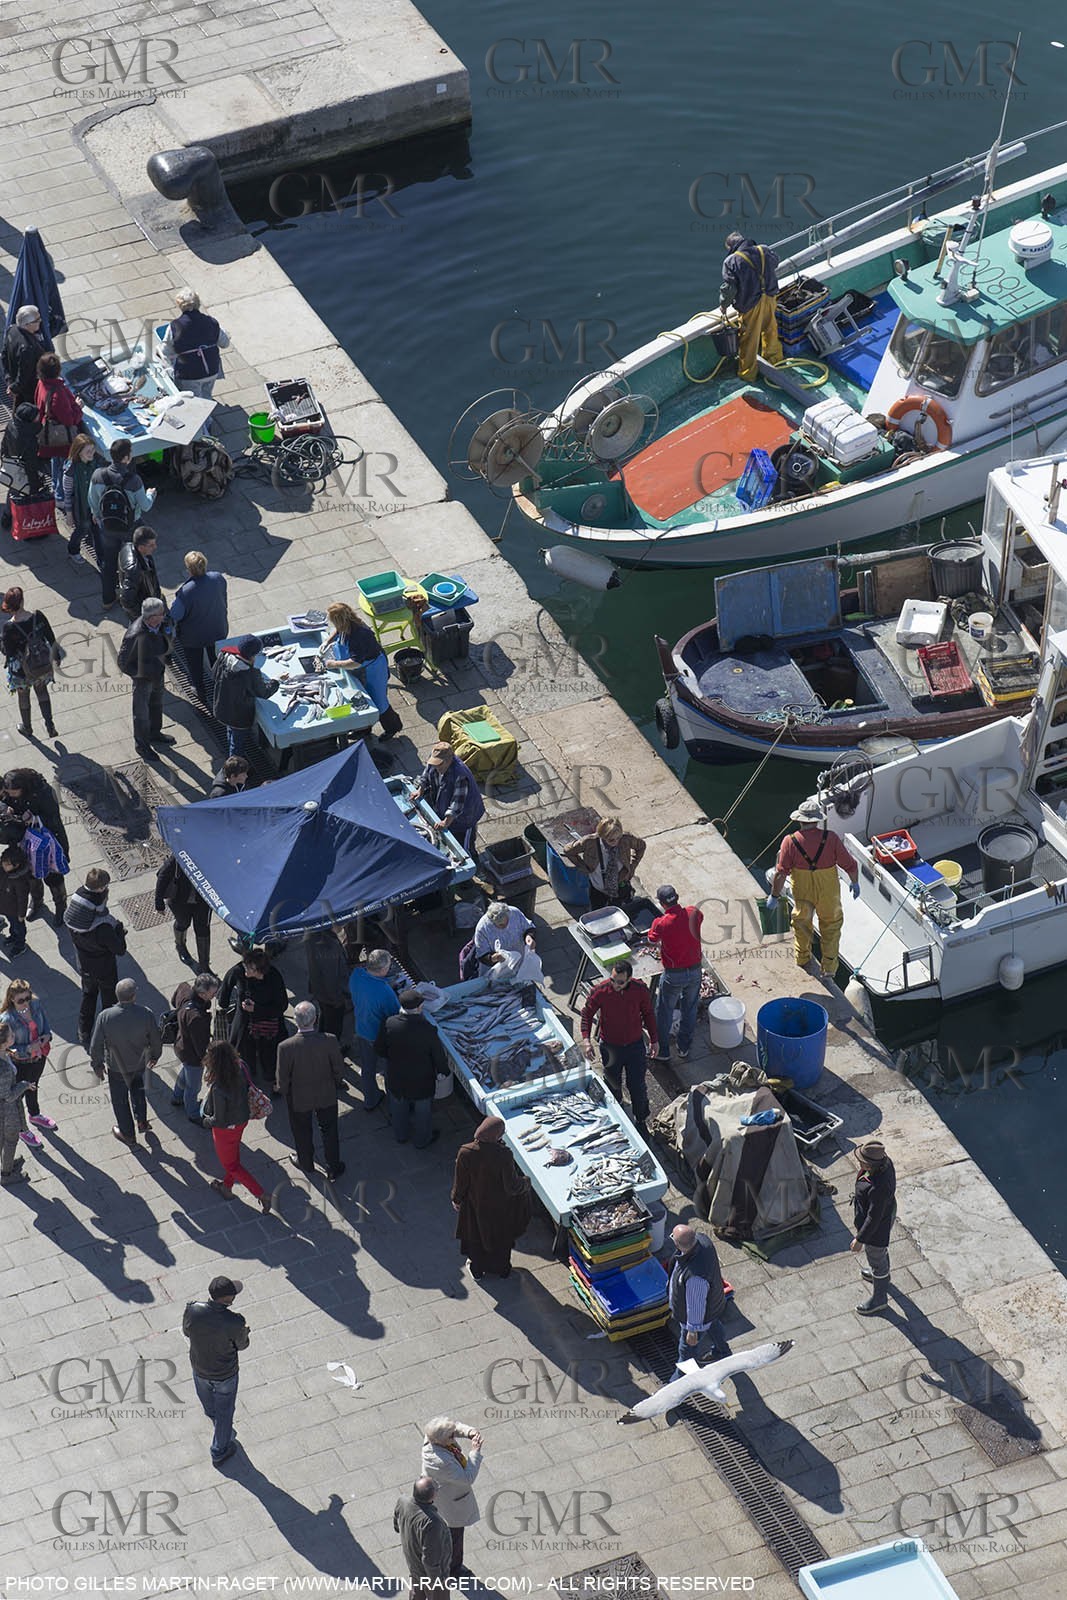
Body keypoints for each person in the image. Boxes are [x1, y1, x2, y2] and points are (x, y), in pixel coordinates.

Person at [766, 799, 859, 976]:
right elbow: (851, 865)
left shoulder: (790, 841)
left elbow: (780, 873)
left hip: (803, 889)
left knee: (801, 922)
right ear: (817, 820)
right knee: (831, 926)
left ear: (800, 820)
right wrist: (855, 883)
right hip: (828, 891)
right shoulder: (830, 838)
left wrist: (774, 896)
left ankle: (802, 958)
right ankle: (829, 969)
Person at [580, 960, 657, 1134]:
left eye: (620, 982)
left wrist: (654, 1039)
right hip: (610, 1047)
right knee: (613, 1083)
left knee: (637, 1086)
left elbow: (648, 1013)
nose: (615, 985)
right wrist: (586, 1040)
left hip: (635, 1046)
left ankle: (641, 1119)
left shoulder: (640, 990)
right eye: (613, 979)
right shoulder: (600, 991)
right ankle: (618, 1111)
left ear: (630, 979)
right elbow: (587, 1014)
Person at [451, 1116, 532, 1282]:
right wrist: (526, 1182)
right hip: (501, 1208)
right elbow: (512, 1186)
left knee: (476, 1239)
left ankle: (478, 1270)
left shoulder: (466, 1152)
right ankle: (503, 1270)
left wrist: (456, 1199)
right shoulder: (503, 1154)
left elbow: (461, 1182)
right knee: (501, 1240)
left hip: (475, 1206)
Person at [182, 1275, 248, 1467]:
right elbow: (242, 1345)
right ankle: (219, 1450)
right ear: (228, 1299)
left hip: (200, 1366)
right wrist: (246, 1332)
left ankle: (211, 1412)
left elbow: (187, 1331)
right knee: (225, 1412)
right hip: (224, 1374)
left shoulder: (193, 1309)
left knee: (206, 1396)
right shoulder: (235, 1321)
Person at [275, 1000, 345, 1179]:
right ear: (315, 1019)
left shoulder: (285, 1047)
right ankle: (333, 1166)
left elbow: (282, 1077)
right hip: (326, 1093)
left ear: (297, 1021)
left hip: (299, 1097)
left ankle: (306, 1162)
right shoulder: (329, 1040)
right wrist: (337, 1082)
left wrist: (283, 1091)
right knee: (329, 1130)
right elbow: (338, 1068)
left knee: (301, 1130)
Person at [89, 977, 162, 1148]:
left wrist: (97, 1065)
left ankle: (128, 1134)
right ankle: (142, 1122)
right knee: (138, 1091)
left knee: (120, 1101)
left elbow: (95, 1045)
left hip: (116, 1068)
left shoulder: (105, 1016)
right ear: (134, 995)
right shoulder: (146, 1013)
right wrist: (155, 1056)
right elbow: (156, 1039)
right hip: (139, 1065)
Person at [201, 1040, 270, 1211]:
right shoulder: (241, 1066)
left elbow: (219, 1120)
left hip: (225, 1130)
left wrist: (205, 1121)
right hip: (242, 1120)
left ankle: (260, 1193)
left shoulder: (218, 1088)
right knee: (233, 1156)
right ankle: (226, 1186)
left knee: (230, 1165)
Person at [376, 988, 449, 1148]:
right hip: (421, 1081)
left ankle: (401, 1135)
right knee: (423, 1113)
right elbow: (438, 1057)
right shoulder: (428, 1030)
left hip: (396, 1077)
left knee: (398, 1108)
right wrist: (444, 1071)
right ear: (419, 1008)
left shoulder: (389, 1023)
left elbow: (380, 1048)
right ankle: (422, 1140)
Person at [88, 440, 156, 608]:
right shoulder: (134, 480)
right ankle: (134, 597)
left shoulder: (98, 475)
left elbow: (92, 500)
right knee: (133, 563)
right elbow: (145, 506)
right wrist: (150, 494)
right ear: (126, 458)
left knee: (109, 561)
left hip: (107, 527)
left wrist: (97, 515)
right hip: (130, 527)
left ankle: (108, 599)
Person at [321, 601, 402, 740]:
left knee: (379, 701)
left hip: (373, 669)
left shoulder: (358, 635)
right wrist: (327, 641)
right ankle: (364, 729)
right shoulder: (348, 622)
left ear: (340, 620)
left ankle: (393, 727)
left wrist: (333, 663)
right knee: (360, 699)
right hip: (361, 669)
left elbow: (355, 662)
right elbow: (338, 630)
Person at [64, 867, 127, 1045]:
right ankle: (108, 1033)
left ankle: (83, 1031)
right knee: (109, 1001)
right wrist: (120, 932)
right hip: (105, 969)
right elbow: (120, 950)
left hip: (85, 966)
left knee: (88, 996)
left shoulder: (75, 920)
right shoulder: (103, 927)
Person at [0, 766, 70, 920]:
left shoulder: (43, 792)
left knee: (53, 877)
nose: (10, 796)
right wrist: (9, 809)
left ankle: (61, 906)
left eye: (13, 793)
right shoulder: (9, 791)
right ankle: (37, 902)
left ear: (22, 787)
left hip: (48, 841)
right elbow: (6, 802)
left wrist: (33, 818)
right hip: (26, 841)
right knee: (31, 874)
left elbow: (53, 818)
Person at [420, 1419, 483, 1580]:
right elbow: (467, 1477)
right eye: (451, 1436)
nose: (454, 1437)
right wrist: (475, 1452)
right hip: (449, 1503)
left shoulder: (434, 1436)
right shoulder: (440, 1462)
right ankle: (453, 1569)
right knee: (455, 1536)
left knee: (446, 1533)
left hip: (440, 1495)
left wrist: (470, 1432)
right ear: (441, 1441)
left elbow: (455, 1427)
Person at [219, 947, 288, 1092]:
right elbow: (224, 992)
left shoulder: (274, 977)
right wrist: (224, 1003)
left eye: (250, 968)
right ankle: (247, 1080)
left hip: (268, 1025)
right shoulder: (238, 972)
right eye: (245, 965)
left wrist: (256, 1009)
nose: (245, 969)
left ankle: (272, 1079)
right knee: (244, 1053)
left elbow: (282, 1006)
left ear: (260, 970)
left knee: (269, 1055)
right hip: (245, 1023)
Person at [648, 885, 704, 1063]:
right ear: (677, 897)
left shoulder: (661, 922)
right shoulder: (693, 912)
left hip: (674, 975)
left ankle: (663, 1051)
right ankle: (684, 1047)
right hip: (695, 971)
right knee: (690, 1008)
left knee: (664, 1011)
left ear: (662, 903)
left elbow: (651, 939)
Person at [668, 1224, 731, 1378]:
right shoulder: (704, 1241)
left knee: (686, 1355)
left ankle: (674, 1390)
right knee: (714, 1326)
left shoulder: (694, 1277)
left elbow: (696, 1305)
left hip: (699, 1318)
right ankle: (723, 1352)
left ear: (677, 1244)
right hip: (714, 1303)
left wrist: (692, 1330)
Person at [719, 232, 783, 382]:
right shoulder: (764, 250)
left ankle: (748, 373)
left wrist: (724, 305)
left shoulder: (731, 261)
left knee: (749, 338)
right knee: (770, 329)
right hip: (770, 296)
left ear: (731, 246)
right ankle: (775, 361)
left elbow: (729, 289)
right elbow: (776, 262)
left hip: (750, 304)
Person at [117, 597, 174, 761]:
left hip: (158, 672)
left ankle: (155, 733)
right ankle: (142, 746)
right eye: (162, 614)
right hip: (143, 679)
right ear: (151, 617)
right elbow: (123, 663)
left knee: (156, 704)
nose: (165, 615)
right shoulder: (135, 635)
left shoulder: (161, 623)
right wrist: (142, 675)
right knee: (141, 714)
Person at [1, 978, 55, 1146]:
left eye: (27, 998)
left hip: (39, 1057)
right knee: (18, 1096)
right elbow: (7, 1045)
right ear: (11, 999)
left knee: (33, 1085)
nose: (25, 1003)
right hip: (21, 1062)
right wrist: (28, 1049)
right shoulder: (7, 1019)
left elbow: (45, 1025)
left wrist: (47, 1036)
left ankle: (35, 1114)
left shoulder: (36, 1005)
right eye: (21, 1000)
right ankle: (22, 1130)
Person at [170, 550, 228, 704]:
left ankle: (199, 690)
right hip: (217, 629)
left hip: (193, 637)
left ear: (189, 569)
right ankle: (222, 688)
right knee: (217, 661)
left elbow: (175, 615)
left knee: (194, 664)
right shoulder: (218, 578)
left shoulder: (185, 593)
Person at [211, 634, 283, 758]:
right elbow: (263, 692)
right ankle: (235, 767)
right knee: (237, 744)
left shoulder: (224, 655)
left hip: (222, 706)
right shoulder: (249, 674)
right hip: (239, 716)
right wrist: (276, 681)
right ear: (253, 655)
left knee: (231, 731)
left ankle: (232, 752)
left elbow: (214, 674)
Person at [1, 587, 59, 740]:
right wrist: (56, 655)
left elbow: (9, 652)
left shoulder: (9, 627)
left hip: (21, 670)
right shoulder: (37, 616)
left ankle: (27, 728)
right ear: (22, 601)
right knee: (42, 692)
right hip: (41, 664)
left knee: (23, 696)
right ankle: (49, 724)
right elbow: (50, 635)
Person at [410, 742, 484, 855]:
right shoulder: (435, 760)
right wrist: (420, 789)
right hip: (444, 805)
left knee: (465, 846)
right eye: (434, 763)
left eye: (439, 765)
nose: (436, 767)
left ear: (449, 760)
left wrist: (446, 822)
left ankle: (474, 862)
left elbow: (457, 804)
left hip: (465, 816)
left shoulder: (460, 774)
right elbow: (427, 772)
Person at [851, 1139, 897, 1316]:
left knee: (876, 1256)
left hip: (877, 1228)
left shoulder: (879, 1188)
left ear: (870, 1164)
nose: (859, 1162)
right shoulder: (884, 1163)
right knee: (880, 1254)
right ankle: (881, 1275)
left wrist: (860, 1239)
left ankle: (879, 1299)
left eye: (862, 1160)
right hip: (887, 1212)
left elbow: (873, 1217)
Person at [349, 948, 398, 1113]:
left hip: (361, 1029)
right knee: (389, 1071)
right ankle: (394, 1105)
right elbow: (394, 1016)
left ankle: (370, 1100)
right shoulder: (385, 992)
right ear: (383, 969)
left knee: (368, 1068)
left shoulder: (356, 974)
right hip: (379, 1036)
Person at [563, 816, 646, 909]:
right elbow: (568, 850)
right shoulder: (589, 842)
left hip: (621, 884)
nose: (616, 842)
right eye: (611, 840)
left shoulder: (626, 839)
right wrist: (582, 866)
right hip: (598, 889)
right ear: (602, 836)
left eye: (618, 838)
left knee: (625, 910)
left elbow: (641, 846)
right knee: (598, 913)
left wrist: (633, 866)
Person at [161, 288, 230, 400]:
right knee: (206, 395)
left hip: (189, 373)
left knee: (194, 400)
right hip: (212, 368)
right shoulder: (211, 322)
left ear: (180, 306)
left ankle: (204, 416)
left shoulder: (174, 326)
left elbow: (166, 352)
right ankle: (208, 411)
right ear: (198, 304)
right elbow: (225, 343)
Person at [169, 972, 218, 1125]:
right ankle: (193, 1113)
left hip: (181, 1045)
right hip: (191, 1054)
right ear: (202, 994)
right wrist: (207, 1061)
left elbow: (173, 1000)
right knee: (193, 1086)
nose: (215, 995)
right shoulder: (196, 1017)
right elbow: (200, 1046)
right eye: (213, 993)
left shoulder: (184, 989)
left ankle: (177, 1097)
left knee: (186, 1073)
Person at [34, 351, 82, 495]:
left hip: (49, 433)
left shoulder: (41, 383)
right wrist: (78, 407)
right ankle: (61, 496)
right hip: (62, 440)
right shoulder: (58, 393)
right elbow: (70, 420)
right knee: (65, 466)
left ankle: (56, 487)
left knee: (55, 462)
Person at [155, 851, 212, 969]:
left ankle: (204, 965)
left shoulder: (211, 855)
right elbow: (163, 876)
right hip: (180, 900)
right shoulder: (180, 854)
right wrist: (159, 902)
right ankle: (180, 946)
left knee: (203, 929)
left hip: (203, 902)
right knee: (183, 922)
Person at [393, 1478, 452, 1591]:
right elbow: (430, 1559)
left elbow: (396, 1517)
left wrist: (397, 1527)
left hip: (413, 1562)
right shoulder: (432, 1523)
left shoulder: (403, 1500)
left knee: (416, 1593)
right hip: (428, 1575)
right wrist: (438, 1582)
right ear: (432, 1496)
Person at [1, 403, 47, 531]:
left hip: (12, 464)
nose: (39, 417)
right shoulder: (29, 439)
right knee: (20, 494)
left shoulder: (12, 425)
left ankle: (6, 517)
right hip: (23, 471)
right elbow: (31, 465)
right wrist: (34, 486)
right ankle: (25, 524)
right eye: (37, 416)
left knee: (13, 490)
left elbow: (4, 443)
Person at [304, 925, 350, 1042]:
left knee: (325, 1018)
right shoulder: (330, 946)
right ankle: (330, 1052)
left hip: (319, 989)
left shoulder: (312, 936)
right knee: (333, 1028)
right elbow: (331, 976)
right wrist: (337, 999)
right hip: (332, 996)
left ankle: (321, 1044)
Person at [0, 1021, 31, 1187]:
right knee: (10, 1140)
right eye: (11, 1036)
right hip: (6, 1112)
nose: (14, 1036)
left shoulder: (4, 1053)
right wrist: (24, 1085)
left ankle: (7, 1163)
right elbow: (8, 1096)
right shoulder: (3, 1070)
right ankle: (6, 1174)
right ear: (4, 1042)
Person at [59, 434, 98, 565]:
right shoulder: (70, 470)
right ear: (78, 451)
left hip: (94, 504)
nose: (91, 453)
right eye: (88, 451)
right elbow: (68, 493)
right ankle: (73, 550)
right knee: (82, 529)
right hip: (79, 507)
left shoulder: (94, 463)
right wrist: (69, 514)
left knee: (96, 529)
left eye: (93, 450)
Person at [2, 305, 51, 406]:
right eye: (37, 320)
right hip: (28, 389)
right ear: (27, 324)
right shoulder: (27, 348)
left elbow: (4, 356)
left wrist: (8, 379)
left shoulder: (12, 329)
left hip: (14, 378)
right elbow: (24, 374)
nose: (40, 321)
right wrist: (14, 388)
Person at [472, 900, 535, 968]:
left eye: (507, 921)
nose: (505, 926)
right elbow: (481, 955)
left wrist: (529, 936)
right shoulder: (482, 928)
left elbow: (528, 926)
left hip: (520, 960)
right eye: (501, 925)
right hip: (497, 969)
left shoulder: (514, 912)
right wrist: (494, 958)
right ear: (492, 922)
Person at [117, 526, 162, 622]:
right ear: (141, 547)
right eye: (151, 545)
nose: (155, 547)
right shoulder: (134, 570)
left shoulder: (128, 546)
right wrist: (143, 615)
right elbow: (126, 600)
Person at [0, 846, 31, 958]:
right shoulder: (3, 871)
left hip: (15, 911)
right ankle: (13, 937)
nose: (4, 865)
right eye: (3, 862)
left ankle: (20, 945)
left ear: (16, 865)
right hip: (5, 907)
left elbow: (23, 899)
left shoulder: (19, 881)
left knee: (19, 927)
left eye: (7, 864)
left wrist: (22, 914)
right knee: (13, 926)